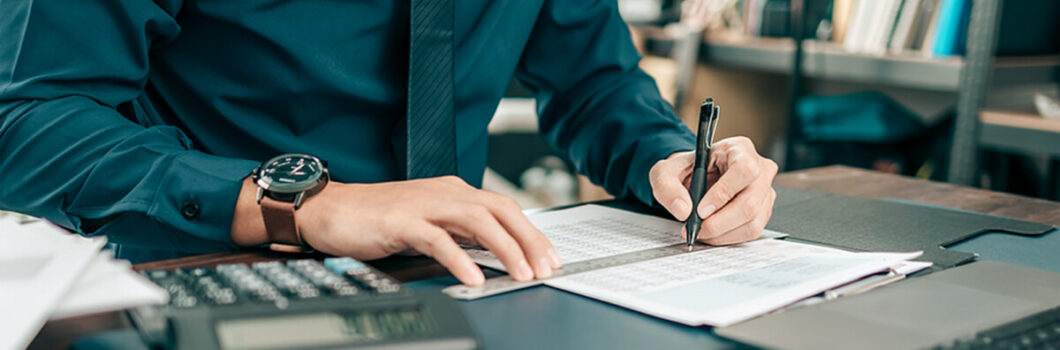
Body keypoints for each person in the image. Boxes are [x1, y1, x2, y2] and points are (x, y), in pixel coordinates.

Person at [0, 1, 777, 286]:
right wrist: (300, 205)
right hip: (216, 273)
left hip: (463, 286)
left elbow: (592, 82)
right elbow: (30, 115)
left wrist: (672, 156)